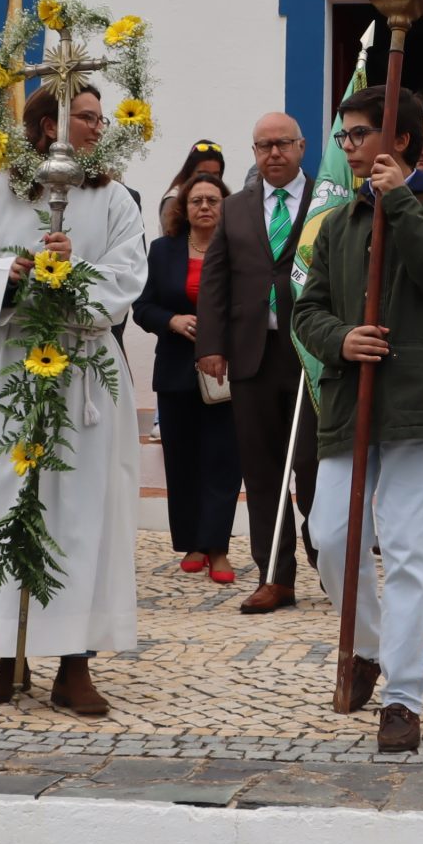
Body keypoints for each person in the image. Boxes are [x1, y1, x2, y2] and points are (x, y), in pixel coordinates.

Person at [0, 85, 147, 715]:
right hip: (3, 366)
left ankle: (75, 662)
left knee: (79, 512)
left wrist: (71, 272)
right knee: (2, 504)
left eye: (98, 117)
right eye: (85, 117)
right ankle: (9, 654)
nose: (97, 127)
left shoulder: (112, 199)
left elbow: (127, 276)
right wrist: (11, 274)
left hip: (79, 367)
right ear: (45, 126)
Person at [294, 84, 423, 753]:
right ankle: (367, 647)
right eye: (342, 136)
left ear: (398, 139)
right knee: (331, 535)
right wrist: (341, 338)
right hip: (350, 405)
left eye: (358, 133)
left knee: (410, 557)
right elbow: (307, 309)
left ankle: (403, 698)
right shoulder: (336, 225)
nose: (348, 146)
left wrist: (400, 199)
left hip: (420, 405)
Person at [195, 112, 321, 614]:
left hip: (313, 355)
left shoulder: (327, 203)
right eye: (263, 145)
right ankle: (275, 575)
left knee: (313, 465)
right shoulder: (236, 208)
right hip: (252, 355)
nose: (273, 153)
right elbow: (215, 280)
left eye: (282, 144)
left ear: (302, 146)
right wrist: (211, 343)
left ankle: (330, 562)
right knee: (262, 471)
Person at [139, 176, 241, 580]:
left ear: (225, 206)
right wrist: (173, 320)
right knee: (182, 461)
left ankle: (219, 548)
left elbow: (254, 305)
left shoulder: (240, 250)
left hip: (227, 372)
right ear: (184, 207)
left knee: (223, 459)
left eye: (213, 200)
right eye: (196, 200)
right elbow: (142, 307)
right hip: (176, 370)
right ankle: (193, 543)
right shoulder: (163, 251)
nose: (204, 207)